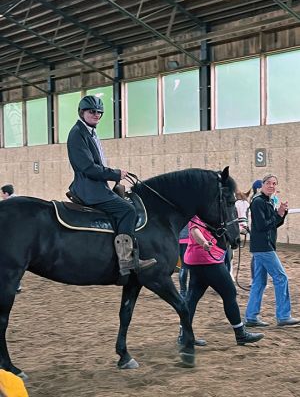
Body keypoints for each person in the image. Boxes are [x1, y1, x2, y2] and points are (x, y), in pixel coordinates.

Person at [67, 95, 156, 281]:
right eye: (92, 111)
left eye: (99, 112)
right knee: (128, 210)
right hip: (90, 189)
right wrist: (115, 173)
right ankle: (126, 260)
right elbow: (88, 168)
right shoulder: (77, 133)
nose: (96, 114)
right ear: (82, 112)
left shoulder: (90, 133)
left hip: (98, 186)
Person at [177, 216, 264, 346]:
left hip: (196, 258)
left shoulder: (208, 211)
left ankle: (184, 335)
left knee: (192, 297)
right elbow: (195, 230)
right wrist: (204, 243)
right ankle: (240, 333)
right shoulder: (199, 213)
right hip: (207, 258)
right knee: (229, 293)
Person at [244, 174, 299, 327]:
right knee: (281, 278)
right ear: (262, 185)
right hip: (264, 248)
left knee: (259, 283)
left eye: (274, 183)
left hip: (262, 247)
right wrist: (278, 214)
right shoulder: (258, 202)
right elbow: (263, 225)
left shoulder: (266, 201)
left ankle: (251, 317)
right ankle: (283, 316)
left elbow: (273, 224)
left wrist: (282, 213)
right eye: (268, 183)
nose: (272, 186)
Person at [1, 184, 22, 293]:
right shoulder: (19, 200)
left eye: (2, 194)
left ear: (6, 193)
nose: (1, 196)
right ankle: (17, 286)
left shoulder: (7, 204)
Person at [178, 225, 189, 299]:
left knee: (183, 267)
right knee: (186, 267)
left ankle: (183, 291)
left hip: (177, 240)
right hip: (188, 239)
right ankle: (184, 291)